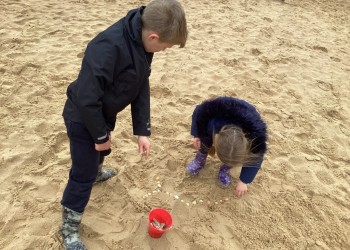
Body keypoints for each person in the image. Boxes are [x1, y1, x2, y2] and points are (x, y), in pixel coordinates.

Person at [60, 0, 188, 249]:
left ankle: (96, 173)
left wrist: (142, 130)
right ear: (153, 36)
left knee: (102, 151)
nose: (163, 51)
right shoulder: (107, 47)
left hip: (102, 113)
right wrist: (98, 136)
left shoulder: (142, 43)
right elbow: (86, 99)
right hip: (82, 117)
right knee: (82, 173)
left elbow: (141, 84)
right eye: (165, 46)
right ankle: (69, 228)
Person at [186, 96, 267, 198]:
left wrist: (244, 181)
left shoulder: (256, 138)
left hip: (245, 121)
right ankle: (200, 159)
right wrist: (197, 135)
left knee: (233, 155)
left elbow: (256, 158)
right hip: (216, 121)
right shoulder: (210, 118)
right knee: (204, 140)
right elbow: (199, 113)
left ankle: (225, 169)